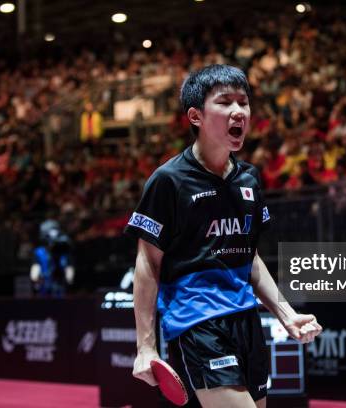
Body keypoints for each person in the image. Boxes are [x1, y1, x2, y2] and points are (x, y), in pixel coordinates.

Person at [125, 64, 322, 407]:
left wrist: (286, 314)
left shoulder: (249, 179)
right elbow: (147, 262)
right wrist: (145, 347)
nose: (238, 112)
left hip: (246, 320)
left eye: (243, 103)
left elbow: (250, 257)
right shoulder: (168, 181)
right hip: (196, 320)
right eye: (225, 102)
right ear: (196, 116)